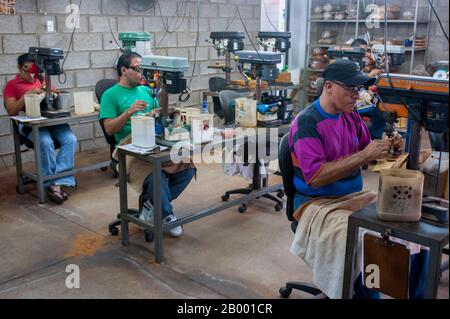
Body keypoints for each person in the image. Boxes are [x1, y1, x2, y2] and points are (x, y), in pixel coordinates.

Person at [288, 59, 427, 298]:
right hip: (316, 203)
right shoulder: (307, 122)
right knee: (370, 240)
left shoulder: (351, 117)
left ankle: (413, 293)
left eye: (358, 89)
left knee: (414, 230)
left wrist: (389, 148)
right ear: (329, 87)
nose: (356, 94)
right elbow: (315, 177)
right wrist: (364, 155)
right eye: (350, 88)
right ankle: (365, 294)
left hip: (353, 197)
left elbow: (369, 155)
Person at [99, 52, 195, 238]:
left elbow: (161, 113)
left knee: (187, 167)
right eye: (137, 68)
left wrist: (164, 93)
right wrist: (128, 112)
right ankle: (166, 216)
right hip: (129, 147)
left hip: (154, 140)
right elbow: (109, 129)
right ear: (124, 70)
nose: (143, 73)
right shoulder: (110, 95)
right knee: (155, 175)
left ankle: (150, 205)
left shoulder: (146, 90)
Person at [3, 53, 77, 204]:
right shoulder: (11, 85)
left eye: (34, 71)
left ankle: (56, 181)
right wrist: (27, 95)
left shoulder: (42, 80)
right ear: (19, 68)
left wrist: (52, 93)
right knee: (44, 142)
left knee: (70, 139)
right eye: (27, 70)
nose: (31, 74)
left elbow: (55, 98)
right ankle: (50, 184)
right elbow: (11, 110)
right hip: (29, 124)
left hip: (49, 122)